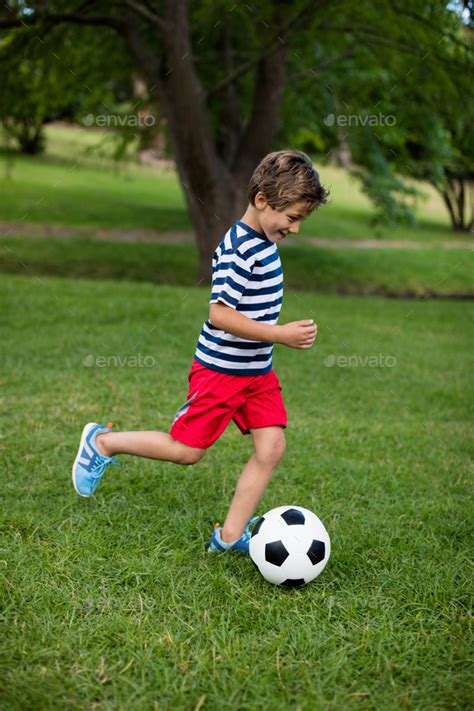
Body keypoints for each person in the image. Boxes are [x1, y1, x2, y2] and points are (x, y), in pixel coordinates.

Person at [72, 149, 328, 554]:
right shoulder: (239, 248)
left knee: (272, 447)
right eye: (292, 217)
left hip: (257, 374)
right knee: (187, 451)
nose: (295, 228)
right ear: (262, 201)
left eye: (301, 220)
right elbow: (220, 315)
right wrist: (279, 334)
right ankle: (103, 442)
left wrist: (272, 338)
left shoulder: (265, 241)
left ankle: (228, 538)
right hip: (221, 373)